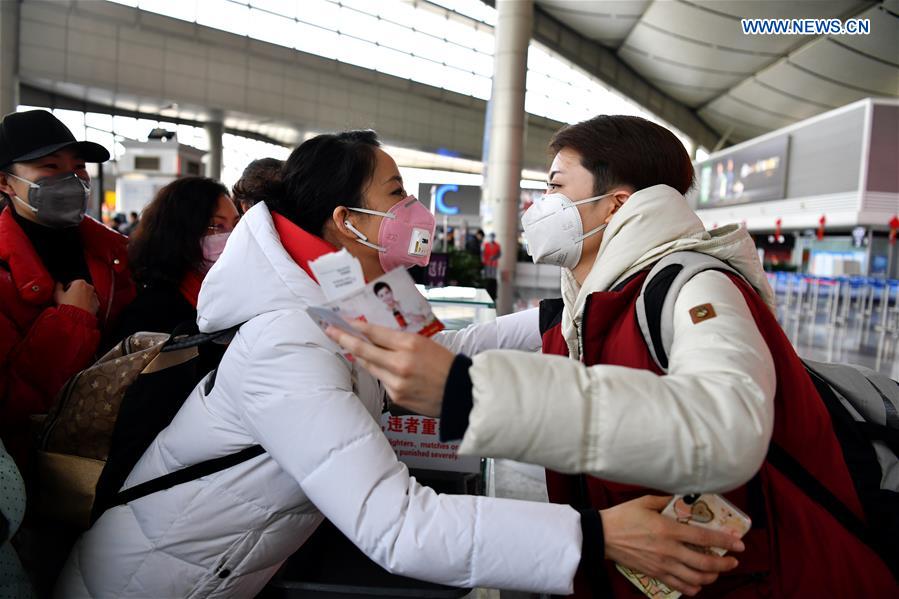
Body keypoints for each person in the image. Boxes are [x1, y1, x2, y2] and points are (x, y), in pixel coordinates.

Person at [57, 131, 741, 598]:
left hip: (219, 573)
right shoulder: (285, 341)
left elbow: (436, 361)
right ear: (344, 220)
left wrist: (557, 320)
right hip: (144, 580)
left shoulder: (343, 295)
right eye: (395, 192)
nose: (412, 209)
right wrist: (596, 535)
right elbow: (397, 525)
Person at [327, 115, 898, 597]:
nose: (537, 205)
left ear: (615, 204)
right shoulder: (588, 303)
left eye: (555, 187)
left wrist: (473, 395)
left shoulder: (694, 285)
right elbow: (457, 348)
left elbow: (726, 428)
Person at [0, 109, 135, 467]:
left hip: (111, 449)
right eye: (50, 167)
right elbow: (9, 405)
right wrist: (70, 320)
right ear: (5, 183)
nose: (72, 180)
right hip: (32, 467)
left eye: (78, 167)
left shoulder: (114, 253)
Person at [105, 176, 238, 343]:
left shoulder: (235, 294)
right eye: (216, 226)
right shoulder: (152, 311)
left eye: (237, 225)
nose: (233, 236)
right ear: (181, 232)